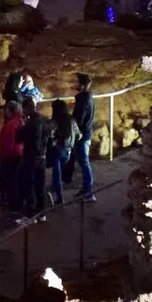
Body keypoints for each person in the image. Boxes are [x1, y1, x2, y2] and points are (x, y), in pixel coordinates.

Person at [18, 103, 50, 218]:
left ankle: (31, 214)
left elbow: (19, 138)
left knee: (29, 185)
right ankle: (42, 213)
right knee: (40, 185)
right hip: (42, 157)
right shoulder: (44, 121)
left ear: (26, 109)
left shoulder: (29, 124)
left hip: (30, 158)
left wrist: (22, 125)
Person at [70, 73, 96, 202]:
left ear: (81, 85)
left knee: (84, 162)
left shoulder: (83, 99)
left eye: (76, 82)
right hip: (86, 132)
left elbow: (79, 118)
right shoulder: (89, 97)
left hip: (82, 135)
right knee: (83, 162)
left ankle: (89, 192)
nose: (74, 84)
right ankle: (86, 189)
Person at [0, 101, 24, 212]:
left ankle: (14, 205)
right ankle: (15, 202)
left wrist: (3, 154)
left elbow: (8, 141)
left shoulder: (11, 124)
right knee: (14, 180)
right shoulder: (19, 121)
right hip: (18, 153)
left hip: (10, 155)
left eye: (6, 110)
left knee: (11, 180)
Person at [48, 99, 76, 205]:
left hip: (58, 151)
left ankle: (59, 198)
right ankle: (54, 190)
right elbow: (79, 134)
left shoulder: (55, 121)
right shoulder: (71, 119)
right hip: (69, 152)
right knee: (58, 175)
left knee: (57, 175)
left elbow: (51, 136)